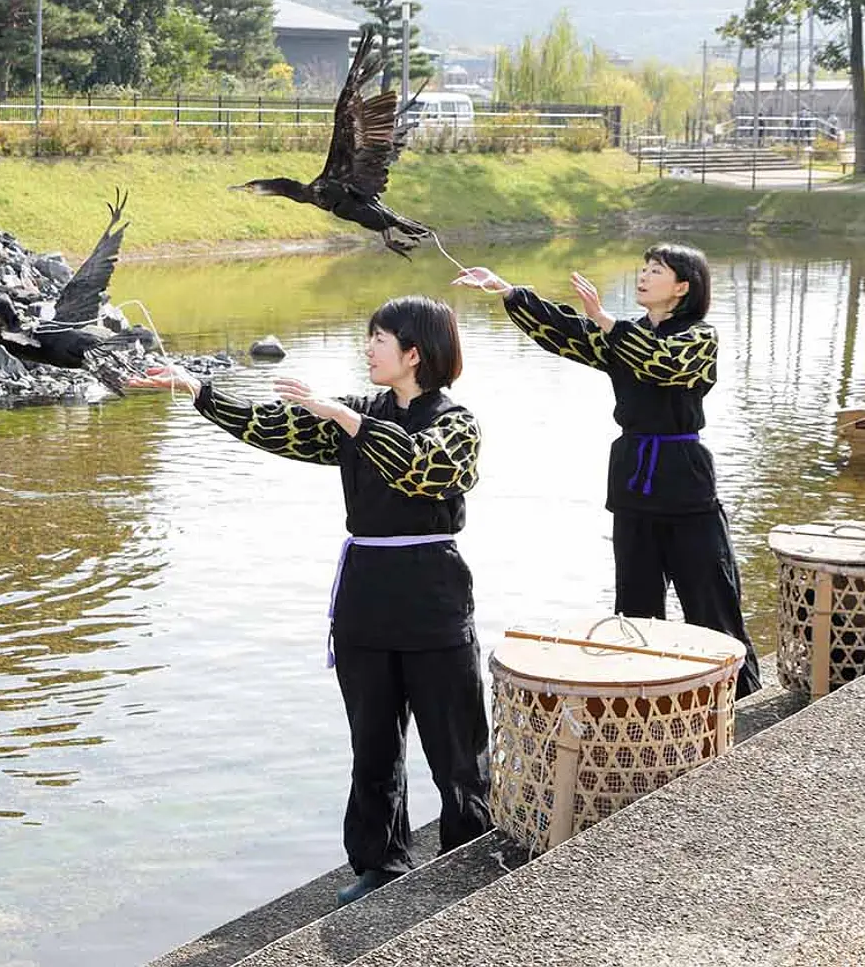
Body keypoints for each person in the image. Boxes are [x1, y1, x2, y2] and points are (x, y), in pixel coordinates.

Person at [130, 295, 491, 907]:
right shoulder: (357, 412)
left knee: (456, 743)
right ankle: (380, 862)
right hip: (365, 593)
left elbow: (422, 469)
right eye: (369, 337)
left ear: (414, 353)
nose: (368, 348)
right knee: (372, 741)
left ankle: (469, 855)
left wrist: (346, 420)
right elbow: (275, 426)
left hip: (433, 593)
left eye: (380, 339)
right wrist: (199, 390)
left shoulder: (456, 423)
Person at [454, 246, 762, 697]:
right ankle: (643, 702)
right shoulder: (624, 334)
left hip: (684, 480)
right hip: (632, 480)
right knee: (634, 607)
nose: (643, 276)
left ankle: (744, 698)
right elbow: (568, 333)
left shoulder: (699, 337)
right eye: (643, 268)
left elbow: (663, 363)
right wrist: (508, 290)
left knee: (711, 598)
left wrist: (606, 320)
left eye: (656, 271)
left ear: (682, 287)